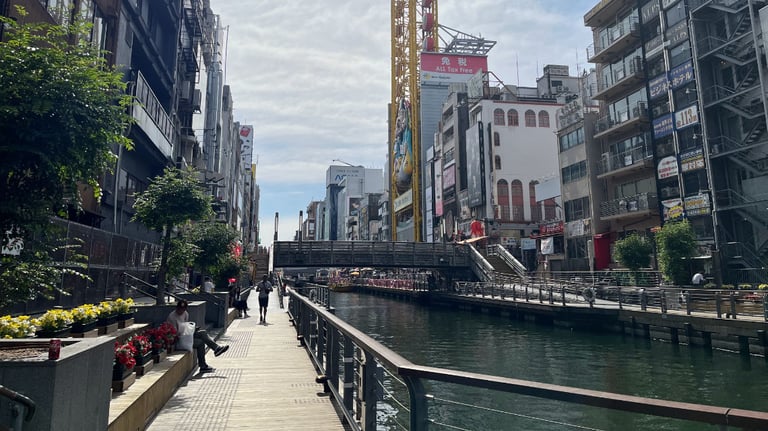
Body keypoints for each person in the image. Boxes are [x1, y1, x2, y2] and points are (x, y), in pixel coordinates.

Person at [166, 300, 229, 373]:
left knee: (203, 332)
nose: (181, 311)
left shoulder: (185, 314)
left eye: (183, 309)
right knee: (200, 343)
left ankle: (216, 348)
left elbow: (185, 325)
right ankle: (203, 366)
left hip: (186, 335)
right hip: (179, 339)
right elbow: (175, 333)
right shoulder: (172, 317)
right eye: (179, 309)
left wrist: (192, 329)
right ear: (177, 308)